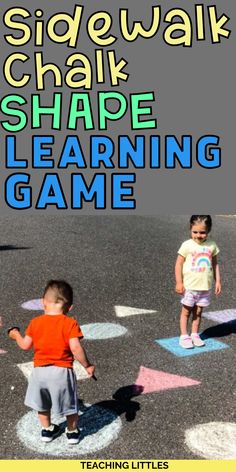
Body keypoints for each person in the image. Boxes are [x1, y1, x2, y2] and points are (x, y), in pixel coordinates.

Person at [8, 280, 95, 444]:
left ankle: (47, 431)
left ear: (43, 303)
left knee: (42, 404)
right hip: (62, 372)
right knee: (70, 405)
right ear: (70, 308)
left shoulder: (35, 322)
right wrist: (87, 365)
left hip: (39, 372)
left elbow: (25, 345)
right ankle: (72, 432)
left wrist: (15, 335)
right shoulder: (69, 323)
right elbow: (76, 348)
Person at [175, 215, 221, 349]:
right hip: (189, 286)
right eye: (195, 232)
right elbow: (178, 264)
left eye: (202, 232)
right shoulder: (187, 245)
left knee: (198, 312)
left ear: (208, 231)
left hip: (204, 287)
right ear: (190, 229)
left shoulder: (211, 245)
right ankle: (184, 336)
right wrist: (179, 282)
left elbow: (215, 264)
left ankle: (194, 334)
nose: (199, 235)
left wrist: (218, 280)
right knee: (186, 311)